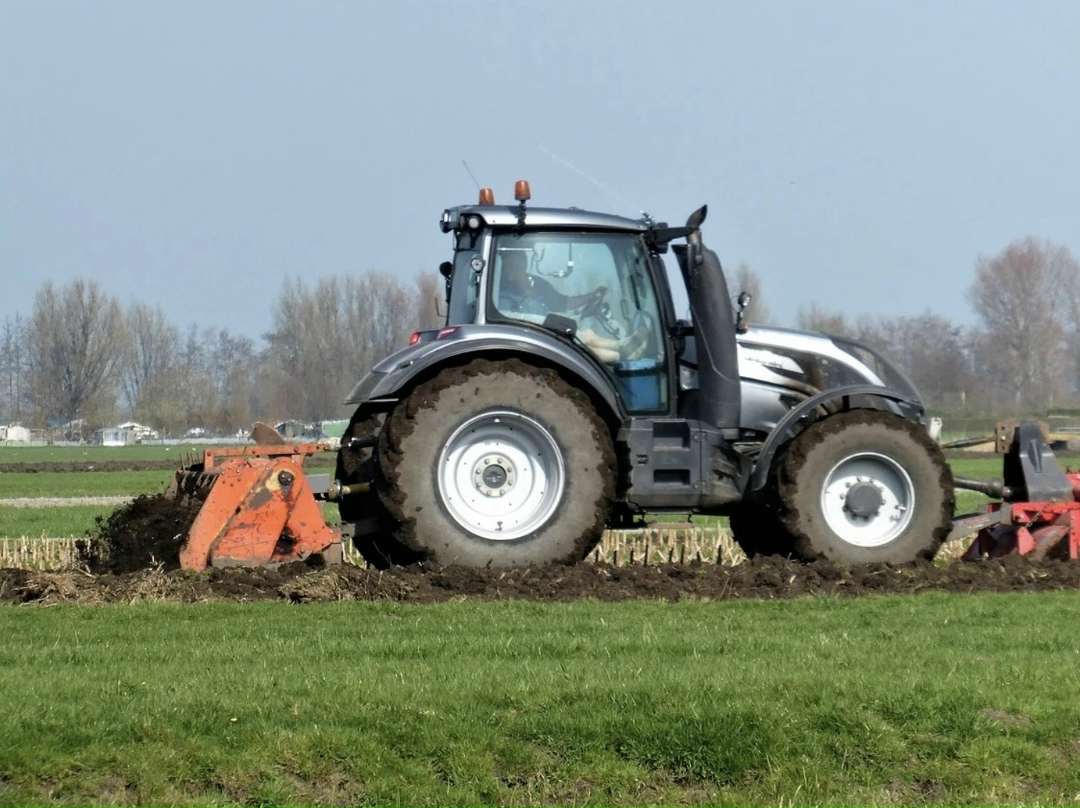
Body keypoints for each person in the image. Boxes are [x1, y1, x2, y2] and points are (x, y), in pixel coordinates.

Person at [496, 251, 646, 362]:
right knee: (581, 342)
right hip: (527, 336)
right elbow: (505, 318)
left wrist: (591, 296)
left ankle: (622, 348)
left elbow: (563, 303)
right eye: (505, 266)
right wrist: (551, 324)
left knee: (586, 334)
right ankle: (622, 354)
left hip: (545, 332)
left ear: (523, 264)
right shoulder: (500, 290)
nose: (506, 270)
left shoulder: (539, 284)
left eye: (510, 266)